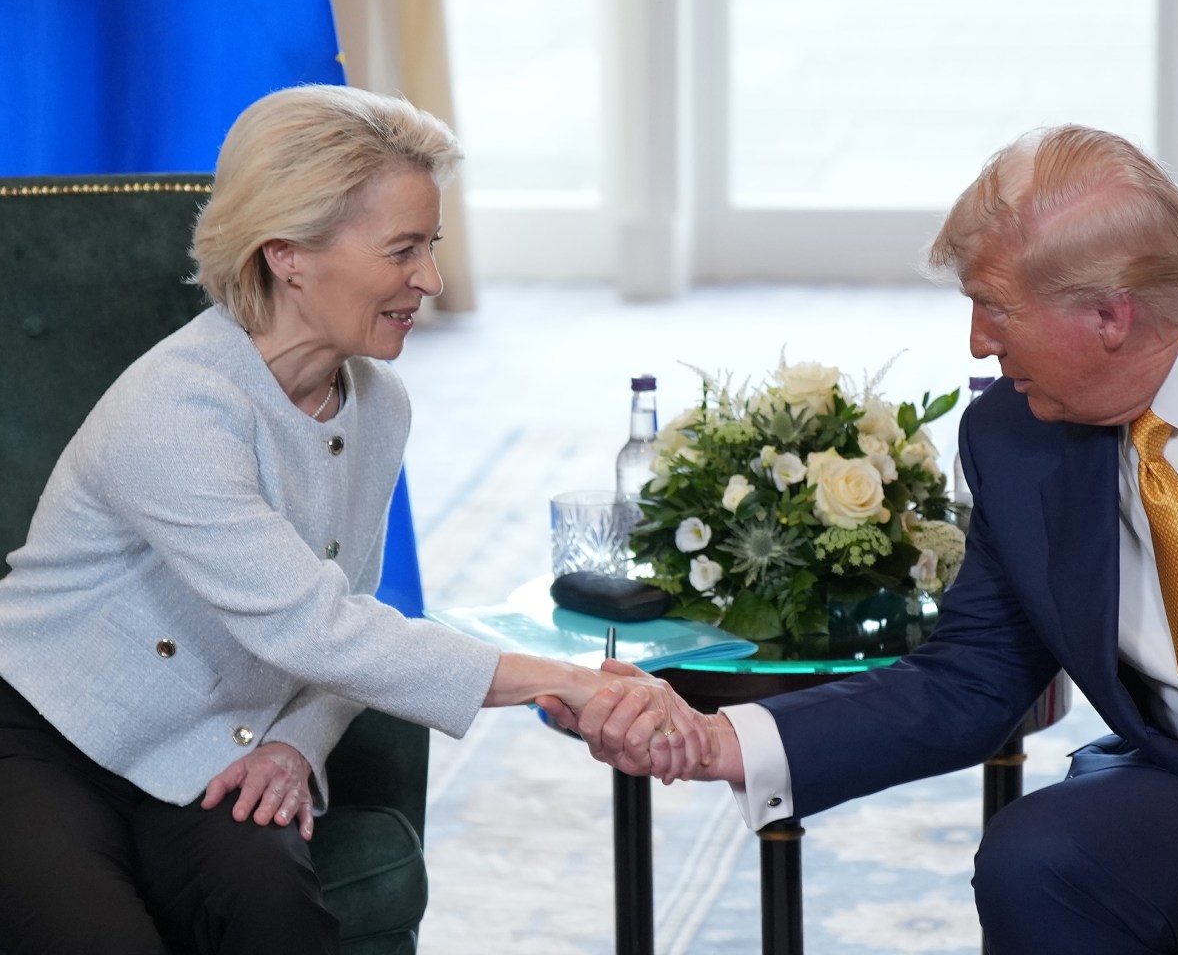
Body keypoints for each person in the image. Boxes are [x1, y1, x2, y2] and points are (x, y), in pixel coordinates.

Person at [548, 125, 1178, 954]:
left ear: (1111, 316)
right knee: (1041, 857)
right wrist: (710, 740)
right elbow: (969, 677)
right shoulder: (1016, 434)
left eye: (993, 308)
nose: (977, 344)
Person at [0, 84, 703, 955]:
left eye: (432, 245)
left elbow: (351, 613)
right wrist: (565, 680)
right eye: (402, 250)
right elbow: (314, 626)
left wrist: (296, 745)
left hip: (210, 737)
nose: (432, 281)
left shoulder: (378, 405)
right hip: (42, 733)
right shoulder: (178, 409)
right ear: (287, 253)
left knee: (280, 918)